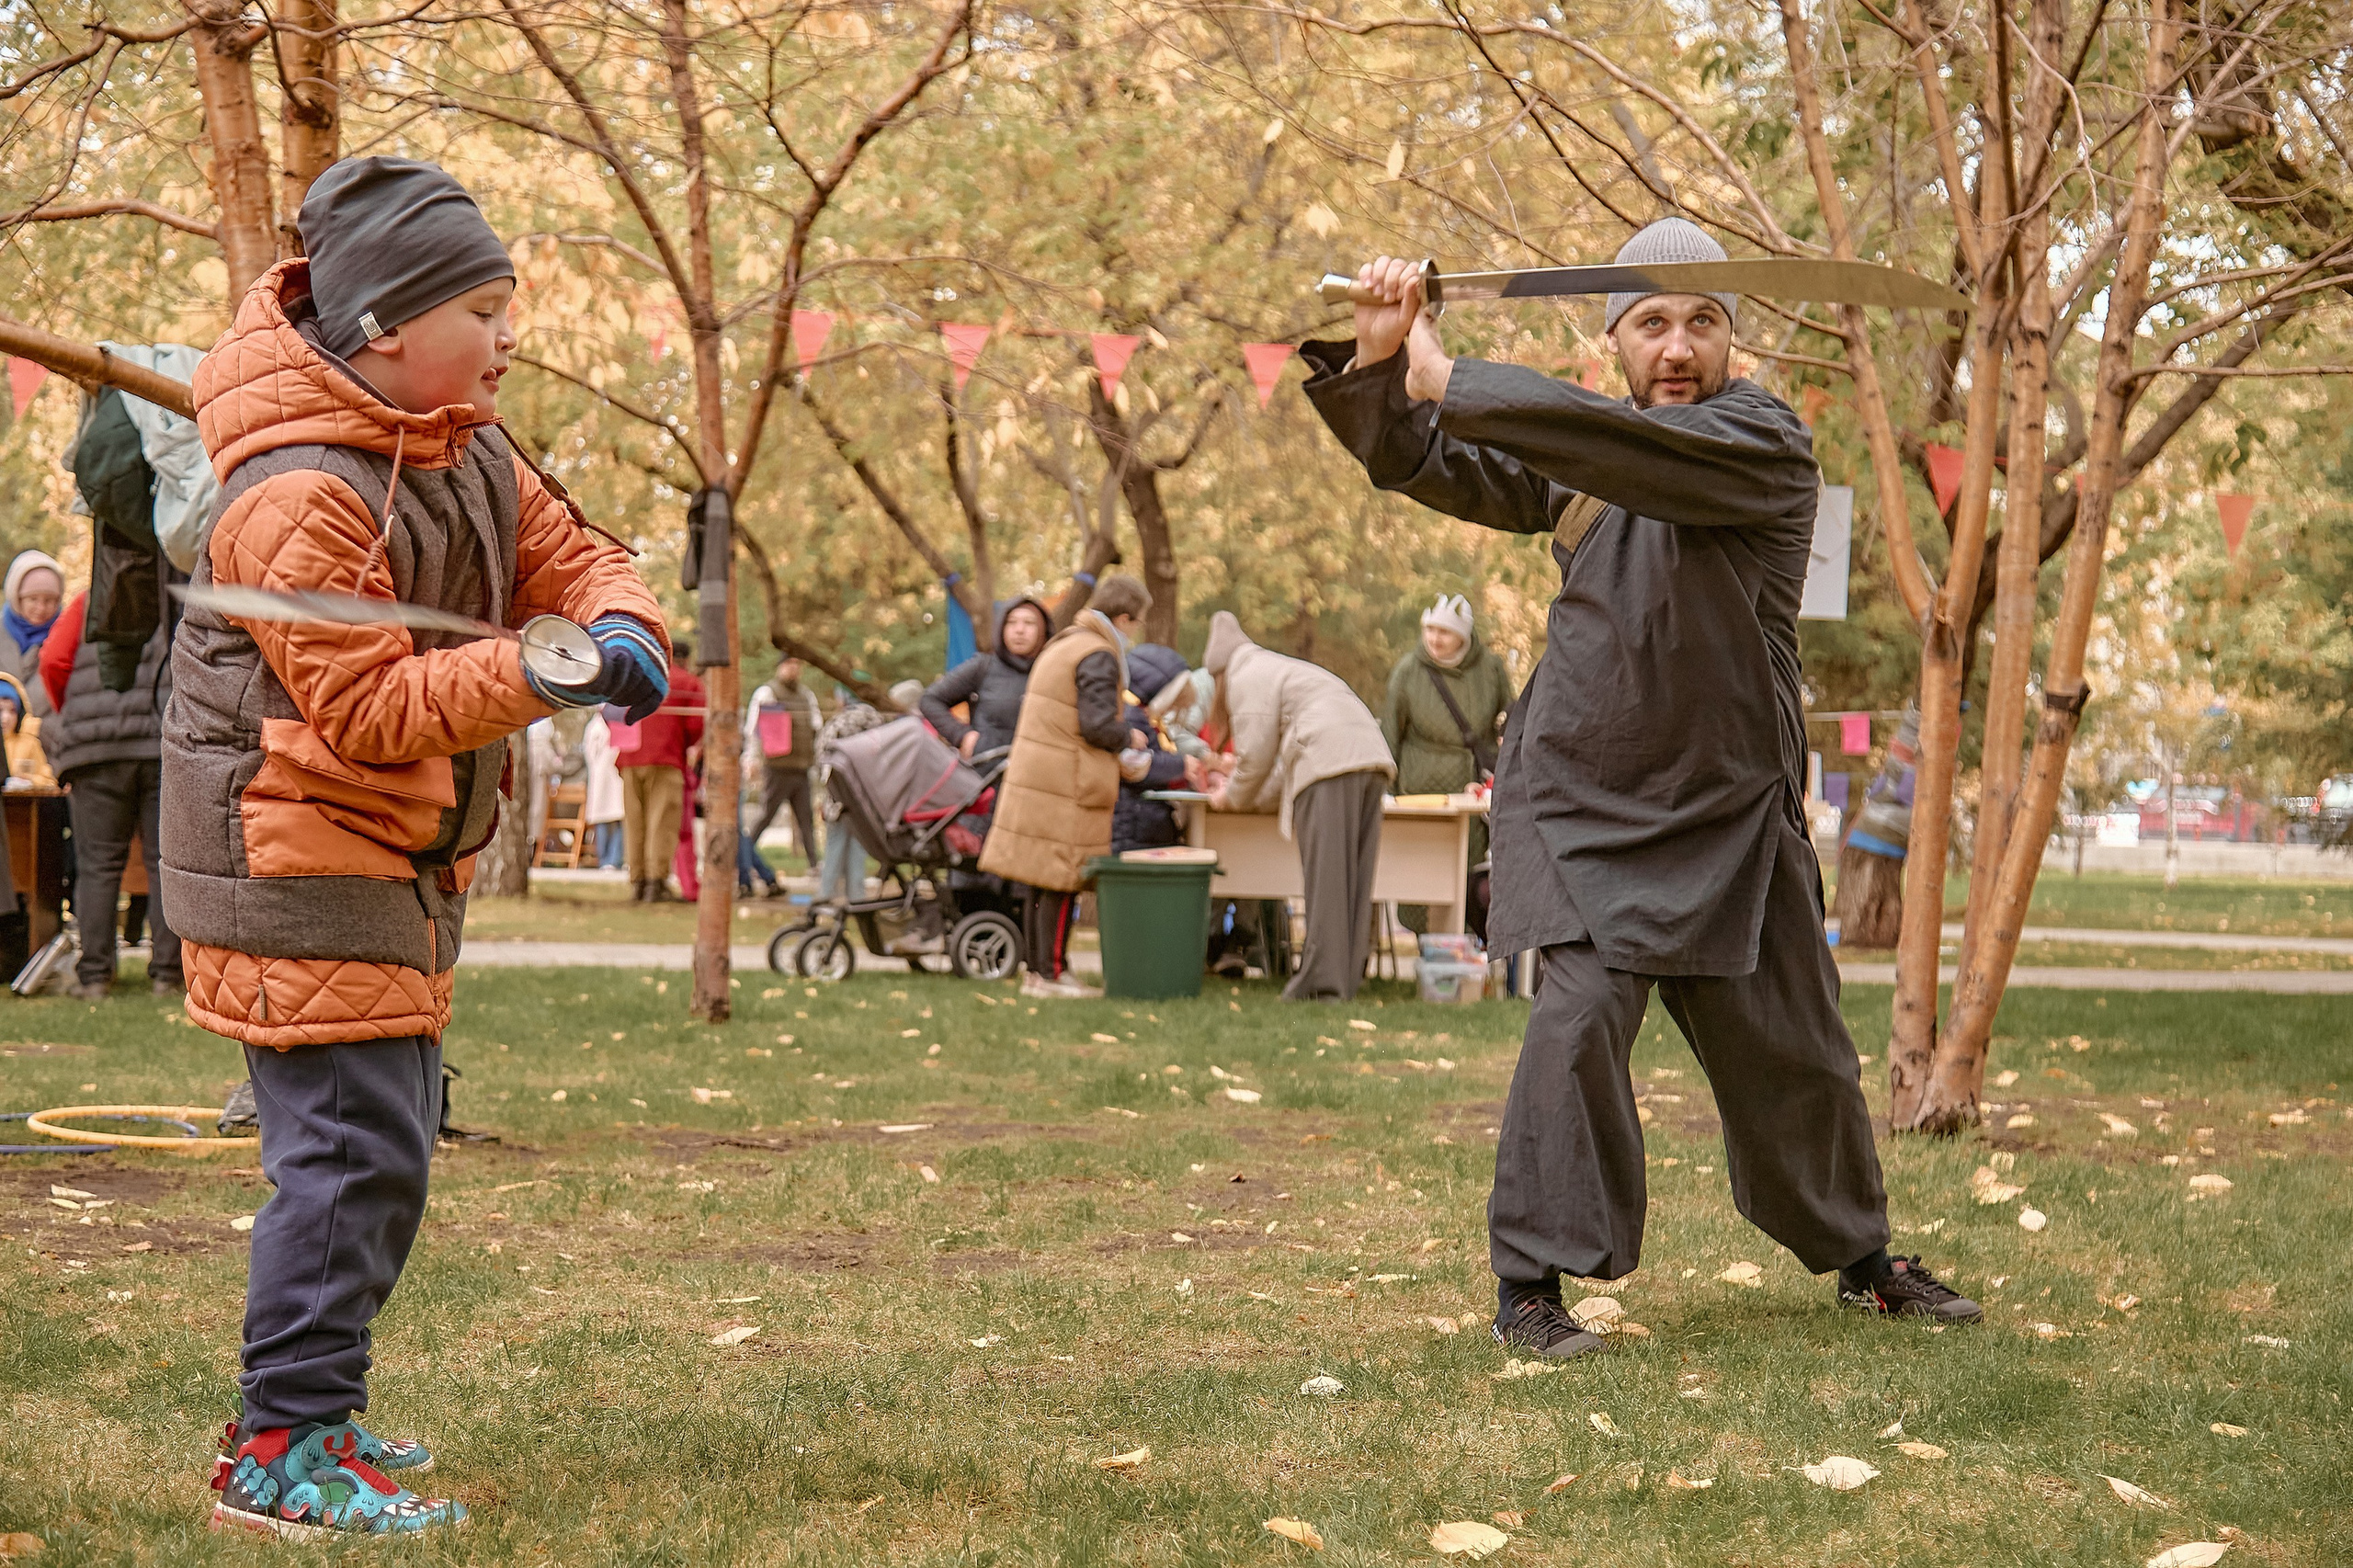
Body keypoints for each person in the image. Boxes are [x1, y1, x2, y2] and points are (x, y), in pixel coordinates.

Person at [1302, 219, 1980, 1364]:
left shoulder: (1758, 439)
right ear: (1612, 339)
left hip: (1729, 806)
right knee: (1572, 1031)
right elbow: (1428, 458)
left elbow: (1624, 451)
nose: (1677, 344)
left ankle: (1864, 1262)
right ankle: (1530, 1286)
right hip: (1583, 798)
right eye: (1651, 322)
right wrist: (1384, 361)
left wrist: (1454, 375)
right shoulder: (1586, 452)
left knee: (1796, 1054)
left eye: (1702, 322)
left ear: (1732, 344)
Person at [165, 155, 668, 1539]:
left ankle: (312, 1409)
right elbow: (372, 705)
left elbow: (580, 554)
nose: (513, 337)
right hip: (289, 860)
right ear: (388, 322)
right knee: (348, 1161)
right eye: (488, 309)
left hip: (386, 858)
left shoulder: (466, 446)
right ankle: (280, 1444)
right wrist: (548, 672)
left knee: (383, 1151)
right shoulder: (294, 494)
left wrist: (616, 625)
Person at [1199, 611, 1394, 1001]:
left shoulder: (1244, 675)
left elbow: (1254, 758)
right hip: (1370, 757)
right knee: (1352, 879)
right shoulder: (1279, 669)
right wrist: (1247, 793)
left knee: (1325, 879)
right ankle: (1344, 979)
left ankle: (1320, 984)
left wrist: (1229, 797)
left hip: (1327, 762)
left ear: (1217, 673)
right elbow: (1278, 772)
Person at [978, 575, 1154, 998]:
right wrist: (1129, 737)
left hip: (1042, 778)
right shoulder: (1097, 653)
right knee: (1061, 881)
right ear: (1125, 618)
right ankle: (1054, 974)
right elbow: (1095, 727)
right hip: (1067, 784)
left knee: (1039, 881)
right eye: (1134, 624)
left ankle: (1037, 972)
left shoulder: (1064, 644)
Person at [39, 585, 182, 1000]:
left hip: (94, 750)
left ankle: (96, 977)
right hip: (159, 744)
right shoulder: (174, 597)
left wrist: (73, 714)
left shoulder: (90, 600)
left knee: (98, 865)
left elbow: (52, 660)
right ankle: (167, 976)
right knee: (164, 862)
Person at [1382, 593, 1514, 931]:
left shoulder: (1491, 669)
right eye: (1429, 630)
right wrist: (1387, 785)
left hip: (1469, 790)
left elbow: (1512, 717)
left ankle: (1464, 944)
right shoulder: (1408, 671)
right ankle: (1428, 943)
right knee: (1420, 871)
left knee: (1466, 870)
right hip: (1418, 792)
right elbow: (1391, 735)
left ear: (1463, 635)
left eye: (1443, 632)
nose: (1434, 639)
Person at [615, 636, 704, 902]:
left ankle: (637, 881)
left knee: (635, 822)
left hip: (630, 757)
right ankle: (656, 882)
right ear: (686, 659)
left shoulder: (637, 675)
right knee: (661, 822)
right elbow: (696, 726)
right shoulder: (688, 682)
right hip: (666, 758)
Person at [921, 597, 1050, 760]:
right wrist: (962, 736)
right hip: (986, 774)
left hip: (1036, 774)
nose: (1019, 630)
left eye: (1029, 623)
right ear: (1001, 627)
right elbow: (930, 699)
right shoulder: (983, 667)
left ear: (1043, 629)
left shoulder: (1052, 671)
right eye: (1011, 622)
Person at [1111, 642, 1197, 854]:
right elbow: (1135, 765)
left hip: (1137, 822)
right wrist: (1182, 765)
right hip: (1134, 824)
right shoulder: (1132, 716)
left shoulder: (1140, 716)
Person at [743, 657, 822, 878]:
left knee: (806, 819)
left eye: (798, 664)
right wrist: (752, 760)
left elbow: (815, 728)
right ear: (780, 667)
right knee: (766, 816)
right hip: (777, 767)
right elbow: (754, 731)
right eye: (790, 664)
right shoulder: (768, 693)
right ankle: (744, 859)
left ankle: (814, 864)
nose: (794, 669)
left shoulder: (807, 696)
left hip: (801, 767)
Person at [3, 551, 63, 715]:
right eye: (33, 599)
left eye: (49, 600)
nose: (41, 608)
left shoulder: (66, 636)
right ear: (17, 597)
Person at [580, 708, 625, 869]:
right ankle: (605, 859)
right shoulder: (594, 727)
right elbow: (589, 752)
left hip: (616, 776)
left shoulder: (619, 724)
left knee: (620, 818)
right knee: (602, 819)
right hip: (600, 776)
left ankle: (615, 859)